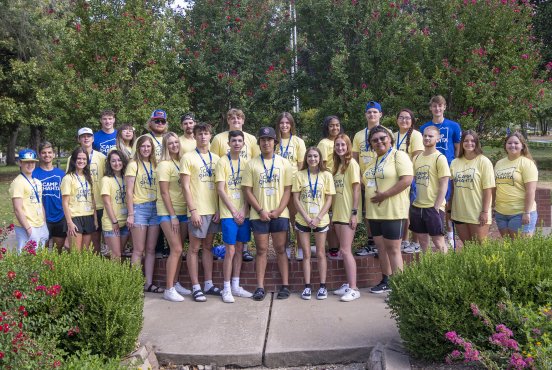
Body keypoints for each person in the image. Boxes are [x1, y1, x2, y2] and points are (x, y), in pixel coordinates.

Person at [242, 127, 293, 301]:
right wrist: (260, 210)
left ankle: (285, 286)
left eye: (269, 139)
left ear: (275, 143)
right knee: (261, 250)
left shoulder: (284, 163)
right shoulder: (251, 164)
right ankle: (260, 287)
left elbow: (288, 190)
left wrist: (278, 210)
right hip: (259, 215)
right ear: (259, 143)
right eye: (263, 140)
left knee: (280, 249)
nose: (266, 143)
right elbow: (247, 191)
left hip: (280, 213)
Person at [362, 126, 413, 293]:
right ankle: (386, 280)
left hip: (393, 211)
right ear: (371, 144)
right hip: (374, 213)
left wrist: (385, 195)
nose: (379, 142)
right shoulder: (372, 161)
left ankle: (400, 286)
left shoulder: (399, 156)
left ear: (390, 139)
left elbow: (407, 180)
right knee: (381, 248)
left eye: (382, 138)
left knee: (393, 248)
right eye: (375, 140)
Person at [210, 108, 260, 262]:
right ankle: (225, 251)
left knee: (244, 226)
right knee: (230, 238)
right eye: (232, 118)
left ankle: (244, 250)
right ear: (228, 121)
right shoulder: (218, 139)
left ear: (243, 120)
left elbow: (256, 162)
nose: (236, 121)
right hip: (226, 188)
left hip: (245, 186)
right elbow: (214, 161)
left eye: (239, 118)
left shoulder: (251, 139)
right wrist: (218, 207)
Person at [180, 123, 222, 302]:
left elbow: (222, 186)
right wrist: (193, 210)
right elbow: (185, 186)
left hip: (213, 210)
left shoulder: (217, 158)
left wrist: (219, 209)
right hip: (198, 210)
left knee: (207, 247)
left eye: (206, 133)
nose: (203, 137)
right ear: (195, 137)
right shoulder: (188, 157)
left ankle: (209, 284)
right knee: (194, 248)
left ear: (210, 136)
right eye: (200, 134)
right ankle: (196, 286)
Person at [215, 130, 254, 303]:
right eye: (233, 141)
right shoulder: (222, 162)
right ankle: (226, 288)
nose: (237, 143)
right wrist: (233, 211)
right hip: (228, 213)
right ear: (228, 143)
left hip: (243, 214)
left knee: (239, 250)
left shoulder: (247, 163)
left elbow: (248, 191)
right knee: (230, 251)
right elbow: (220, 189)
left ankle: (236, 285)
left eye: (239, 141)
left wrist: (244, 210)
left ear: (243, 144)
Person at [292, 147, 335, 300]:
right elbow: (296, 199)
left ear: (320, 158)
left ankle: (322, 286)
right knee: (306, 255)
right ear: (306, 158)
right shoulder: (299, 175)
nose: (312, 159)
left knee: (321, 253)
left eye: (315, 156)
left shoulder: (327, 175)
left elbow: (329, 199)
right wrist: (307, 217)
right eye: (309, 156)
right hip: (303, 219)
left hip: (320, 219)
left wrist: (317, 218)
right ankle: (307, 287)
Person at [419, 95, 462, 246]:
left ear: (444, 107)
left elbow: (457, 148)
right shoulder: (424, 128)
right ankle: (431, 233)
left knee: (447, 201)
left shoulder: (453, 126)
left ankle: (449, 233)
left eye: (440, 106)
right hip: (429, 170)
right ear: (430, 108)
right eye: (434, 106)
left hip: (447, 168)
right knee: (430, 199)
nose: (437, 109)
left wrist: (455, 166)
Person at [352, 101, 393, 256]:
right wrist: (359, 179)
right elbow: (354, 159)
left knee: (383, 208)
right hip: (365, 180)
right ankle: (372, 242)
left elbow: (391, 157)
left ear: (380, 114)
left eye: (375, 112)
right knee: (368, 212)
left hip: (384, 179)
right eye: (369, 112)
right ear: (365, 115)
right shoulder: (358, 135)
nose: (372, 115)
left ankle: (385, 241)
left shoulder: (387, 132)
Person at [157, 132, 193, 302]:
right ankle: (168, 288)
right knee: (177, 248)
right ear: (165, 146)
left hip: (183, 211)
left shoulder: (181, 161)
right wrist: (172, 215)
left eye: (176, 142)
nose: (174, 145)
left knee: (178, 250)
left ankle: (176, 282)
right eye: (170, 143)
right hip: (168, 213)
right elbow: (164, 192)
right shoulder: (164, 165)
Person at [125, 135, 162, 293]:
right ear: (138, 148)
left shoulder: (155, 164)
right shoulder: (133, 165)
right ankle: (134, 286)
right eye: (143, 146)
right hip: (139, 208)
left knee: (151, 249)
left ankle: (148, 283)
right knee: (138, 250)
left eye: (149, 146)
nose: (146, 149)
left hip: (155, 207)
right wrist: (131, 213)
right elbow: (128, 191)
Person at [449, 130, 495, 245]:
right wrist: (449, 210)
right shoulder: (455, 162)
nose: (469, 143)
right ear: (461, 143)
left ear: (477, 143)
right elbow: (452, 189)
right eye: (466, 141)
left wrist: (485, 211)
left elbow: (488, 189)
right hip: (459, 211)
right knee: (467, 246)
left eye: (472, 141)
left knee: (480, 246)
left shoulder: (484, 161)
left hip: (477, 212)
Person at [409, 126, 450, 253]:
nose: (427, 138)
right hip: (418, 206)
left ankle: (447, 269)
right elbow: (412, 180)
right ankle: (427, 268)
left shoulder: (440, 158)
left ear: (437, 139)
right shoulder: (416, 158)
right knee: (423, 242)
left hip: (433, 206)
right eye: (425, 135)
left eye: (430, 136)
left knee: (438, 242)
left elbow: (444, 184)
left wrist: (436, 207)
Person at [331, 134, 361, 302]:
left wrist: (354, 213)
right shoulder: (337, 166)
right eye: (337, 145)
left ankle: (354, 288)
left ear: (348, 146)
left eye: (343, 145)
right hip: (337, 213)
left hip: (348, 214)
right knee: (343, 251)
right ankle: (348, 284)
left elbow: (356, 190)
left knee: (346, 250)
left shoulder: (352, 165)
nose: (340, 148)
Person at [494, 132, 539, 238]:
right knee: (508, 247)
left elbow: (531, 191)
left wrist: (527, 212)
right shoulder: (499, 163)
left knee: (521, 250)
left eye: (516, 143)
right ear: (505, 145)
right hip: (501, 212)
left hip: (520, 212)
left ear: (522, 145)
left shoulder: (527, 163)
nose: (512, 145)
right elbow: (496, 187)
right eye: (509, 143)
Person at [274, 112, 306, 260]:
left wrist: (297, 187)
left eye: (287, 123)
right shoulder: (275, 142)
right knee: (282, 219)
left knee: (296, 218)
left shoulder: (298, 142)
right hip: (277, 186)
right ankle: (285, 247)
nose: (284, 125)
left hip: (293, 186)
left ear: (291, 125)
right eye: (282, 123)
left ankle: (300, 248)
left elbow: (301, 166)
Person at [70, 127, 106, 253]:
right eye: (83, 136)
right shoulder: (72, 158)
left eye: (89, 136)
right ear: (79, 139)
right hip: (82, 207)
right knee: (86, 243)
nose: (86, 138)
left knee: (98, 240)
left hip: (101, 204)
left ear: (93, 138)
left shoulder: (101, 157)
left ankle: (98, 265)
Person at [394, 109, 424, 254]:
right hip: (397, 177)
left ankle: (415, 241)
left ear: (412, 120)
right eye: (401, 117)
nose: (404, 120)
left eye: (407, 118)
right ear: (397, 120)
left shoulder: (416, 135)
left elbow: (417, 158)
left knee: (413, 210)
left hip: (411, 177)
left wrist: (408, 175)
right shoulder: (393, 136)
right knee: (403, 209)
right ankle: (404, 240)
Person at [10, 149, 48, 252]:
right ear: (20, 163)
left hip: (40, 224)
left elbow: (40, 204)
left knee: (39, 257)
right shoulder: (18, 182)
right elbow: (18, 209)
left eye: (32, 162)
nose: (30, 164)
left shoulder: (37, 182)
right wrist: (28, 229)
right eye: (26, 162)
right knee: (26, 259)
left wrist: (44, 223)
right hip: (26, 226)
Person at [317, 115, 344, 259]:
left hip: (342, 183)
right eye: (332, 125)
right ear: (327, 127)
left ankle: (343, 247)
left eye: (337, 125)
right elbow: (323, 166)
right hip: (329, 183)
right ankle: (333, 248)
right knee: (331, 216)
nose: (335, 128)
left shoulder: (342, 140)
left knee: (340, 215)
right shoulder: (324, 143)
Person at [33, 142, 66, 251]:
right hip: (41, 218)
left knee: (58, 249)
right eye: (43, 153)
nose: (47, 155)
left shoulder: (61, 174)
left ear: (54, 154)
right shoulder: (34, 174)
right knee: (43, 250)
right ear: (39, 154)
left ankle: (56, 268)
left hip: (60, 217)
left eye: (49, 152)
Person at [61, 147, 96, 251]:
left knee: (85, 253)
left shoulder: (88, 176)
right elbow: (65, 203)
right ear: (74, 160)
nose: (81, 161)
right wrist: (69, 223)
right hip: (74, 217)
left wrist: (95, 219)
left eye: (84, 159)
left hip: (88, 216)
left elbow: (92, 198)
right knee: (76, 253)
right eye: (79, 158)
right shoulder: (68, 178)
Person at [101, 150, 130, 260]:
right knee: (116, 254)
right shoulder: (106, 179)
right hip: (112, 223)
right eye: (113, 161)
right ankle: (113, 277)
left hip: (125, 222)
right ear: (109, 163)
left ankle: (117, 276)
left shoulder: (126, 178)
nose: (117, 163)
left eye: (119, 160)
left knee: (119, 253)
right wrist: (114, 221)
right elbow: (107, 202)